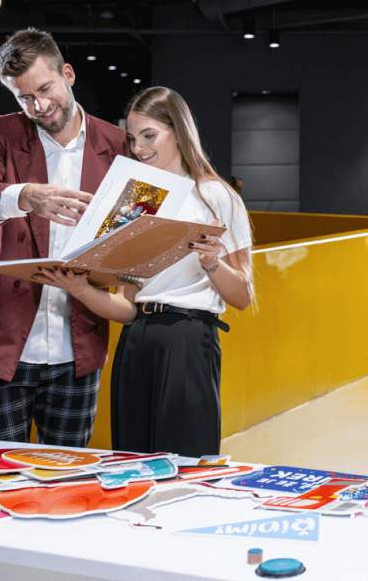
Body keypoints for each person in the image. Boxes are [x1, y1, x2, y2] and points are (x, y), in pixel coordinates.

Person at [35, 87, 255, 458]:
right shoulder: (137, 200)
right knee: (132, 460)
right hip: (136, 342)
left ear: (179, 130)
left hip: (188, 340)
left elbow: (243, 297)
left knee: (186, 461)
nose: (139, 148)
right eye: (133, 138)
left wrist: (212, 263)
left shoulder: (216, 196)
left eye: (149, 135)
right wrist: (80, 289)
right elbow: (128, 309)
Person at [0, 28, 127, 446]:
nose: (39, 106)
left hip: (78, 345)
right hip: (0, 343)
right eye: (23, 97)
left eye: (45, 89)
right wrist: (26, 196)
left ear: (68, 73)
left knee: (64, 483)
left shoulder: (118, 145)